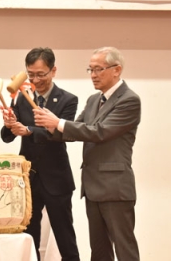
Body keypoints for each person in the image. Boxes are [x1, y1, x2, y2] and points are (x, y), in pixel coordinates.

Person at [34, 46, 140, 261]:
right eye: (90, 70)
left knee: (124, 248)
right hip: (92, 186)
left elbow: (100, 132)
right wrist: (48, 126)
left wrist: (59, 123)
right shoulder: (94, 99)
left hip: (115, 187)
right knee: (99, 251)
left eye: (98, 69)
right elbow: (76, 129)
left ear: (116, 70)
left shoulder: (129, 100)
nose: (93, 75)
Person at [1, 47, 80, 261]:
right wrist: (9, 124)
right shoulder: (21, 97)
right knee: (28, 237)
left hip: (56, 179)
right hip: (28, 179)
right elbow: (7, 137)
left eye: (41, 74)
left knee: (65, 236)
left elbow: (61, 135)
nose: (36, 79)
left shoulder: (67, 100)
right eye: (31, 74)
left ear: (53, 71)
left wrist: (29, 131)